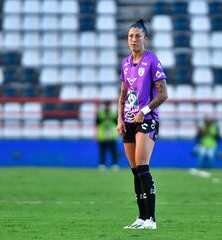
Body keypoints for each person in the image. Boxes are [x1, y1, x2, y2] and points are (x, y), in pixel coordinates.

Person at [117, 19, 168, 229]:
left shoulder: (152, 60)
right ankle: (141, 217)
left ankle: (151, 219)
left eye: (137, 36)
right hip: (128, 121)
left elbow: (163, 93)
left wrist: (144, 111)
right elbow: (122, 96)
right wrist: (120, 119)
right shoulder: (126, 63)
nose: (133, 39)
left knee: (143, 167)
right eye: (130, 36)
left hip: (146, 120)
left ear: (145, 38)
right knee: (135, 171)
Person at [95, 101, 119, 170]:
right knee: (102, 151)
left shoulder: (113, 113)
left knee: (113, 151)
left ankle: (115, 164)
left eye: (108, 105)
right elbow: (96, 124)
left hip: (112, 135)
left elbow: (117, 123)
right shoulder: (100, 113)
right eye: (106, 105)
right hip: (102, 135)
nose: (107, 107)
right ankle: (102, 164)